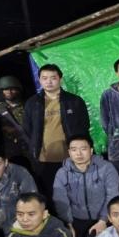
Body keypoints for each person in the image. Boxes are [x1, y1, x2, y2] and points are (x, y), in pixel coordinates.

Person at [23, 63, 90, 201]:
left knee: (77, 194)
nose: (49, 81)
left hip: (71, 158)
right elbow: (28, 129)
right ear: (39, 80)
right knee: (52, 195)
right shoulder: (32, 103)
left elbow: (84, 126)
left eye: (53, 78)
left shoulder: (74, 101)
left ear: (60, 79)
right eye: (44, 78)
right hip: (44, 159)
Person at [52, 135, 119, 237]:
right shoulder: (62, 173)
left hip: (102, 217)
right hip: (75, 219)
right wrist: (68, 223)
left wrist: (103, 220)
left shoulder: (106, 168)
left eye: (83, 149)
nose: (78, 154)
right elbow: (60, 200)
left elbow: (113, 195)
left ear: (91, 150)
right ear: (69, 152)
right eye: (74, 150)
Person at [0, 75, 31, 167]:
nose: (9, 92)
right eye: (5, 89)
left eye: (12, 89)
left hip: (28, 146)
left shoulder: (28, 105)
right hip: (8, 149)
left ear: (18, 90)